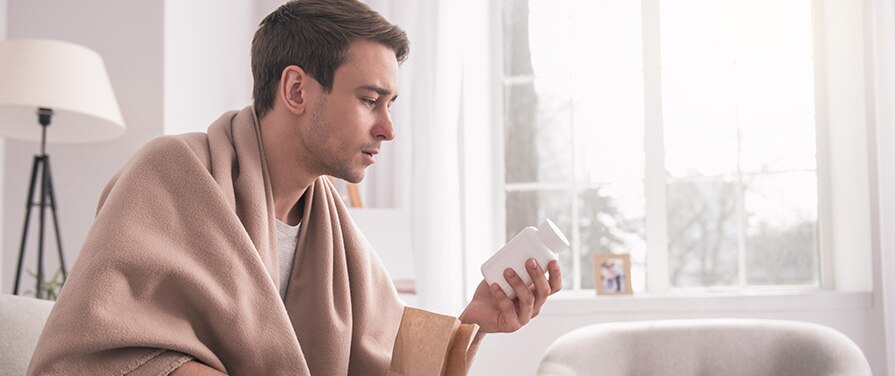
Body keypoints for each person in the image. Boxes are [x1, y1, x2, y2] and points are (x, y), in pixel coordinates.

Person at [27, 0, 562, 375]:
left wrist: (476, 322)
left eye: (390, 105)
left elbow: (389, 356)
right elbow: (91, 355)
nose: (388, 128)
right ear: (297, 88)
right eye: (370, 99)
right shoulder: (172, 172)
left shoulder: (336, 231)